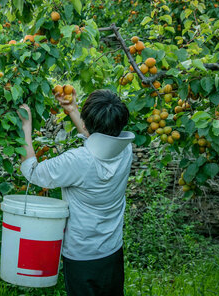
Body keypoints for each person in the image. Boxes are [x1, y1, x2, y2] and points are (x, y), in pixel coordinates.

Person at [18, 88, 134, 296]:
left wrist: (25, 128)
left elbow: (32, 172)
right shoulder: (125, 150)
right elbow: (99, 140)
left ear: (88, 125)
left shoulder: (78, 161)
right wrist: (73, 110)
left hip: (82, 256)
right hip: (112, 249)